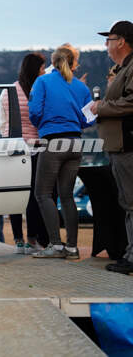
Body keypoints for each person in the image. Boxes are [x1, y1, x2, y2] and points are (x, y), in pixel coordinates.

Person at [29, 47, 94, 259]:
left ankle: (56, 246)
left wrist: (43, 124)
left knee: (42, 194)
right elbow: (88, 119)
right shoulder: (81, 87)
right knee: (67, 196)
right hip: (75, 142)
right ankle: (72, 248)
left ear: (53, 61)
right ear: (74, 62)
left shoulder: (43, 81)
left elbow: (34, 111)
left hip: (53, 141)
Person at [91, 20, 133, 275]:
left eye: (109, 39)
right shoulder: (122, 68)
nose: (106, 45)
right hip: (119, 145)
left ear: (121, 41)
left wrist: (101, 107)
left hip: (127, 145)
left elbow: (131, 102)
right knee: (128, 202)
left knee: (131, 202)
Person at [0, 53, 50, 254]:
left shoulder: (8, 90)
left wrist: (8, 140)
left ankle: (18, 240)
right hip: (36, 148)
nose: (44, 72)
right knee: (33, 197)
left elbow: (2, 123)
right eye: (42, 68)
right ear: (35, 70)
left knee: (15, 195)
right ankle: (32, 239)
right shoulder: (41, 90)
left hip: (14, 148)